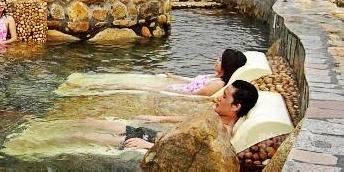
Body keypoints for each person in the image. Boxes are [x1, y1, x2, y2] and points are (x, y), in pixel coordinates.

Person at [75, 80, 259, 149]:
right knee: (92, 122)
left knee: (83, 136)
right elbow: (188, 120)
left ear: (236, 106)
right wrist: (160, 118)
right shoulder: (215, 117)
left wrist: (148, 146)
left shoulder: (223, 133)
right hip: (155, 135)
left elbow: (188, 152)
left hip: (153, 142)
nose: (218, 98)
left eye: (224, 96)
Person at [91, 49, 247, 96]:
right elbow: (191, 81)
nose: (216, 61)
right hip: (173, 87)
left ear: (226, 65)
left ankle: (99, 89)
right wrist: (174, 77)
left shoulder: (218, 84)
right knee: (128, 84)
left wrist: (167, 92)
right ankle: (100, 87)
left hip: (172, 92)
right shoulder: (213, 76)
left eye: (220, 60)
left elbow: (194, 96)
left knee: (129, 87)